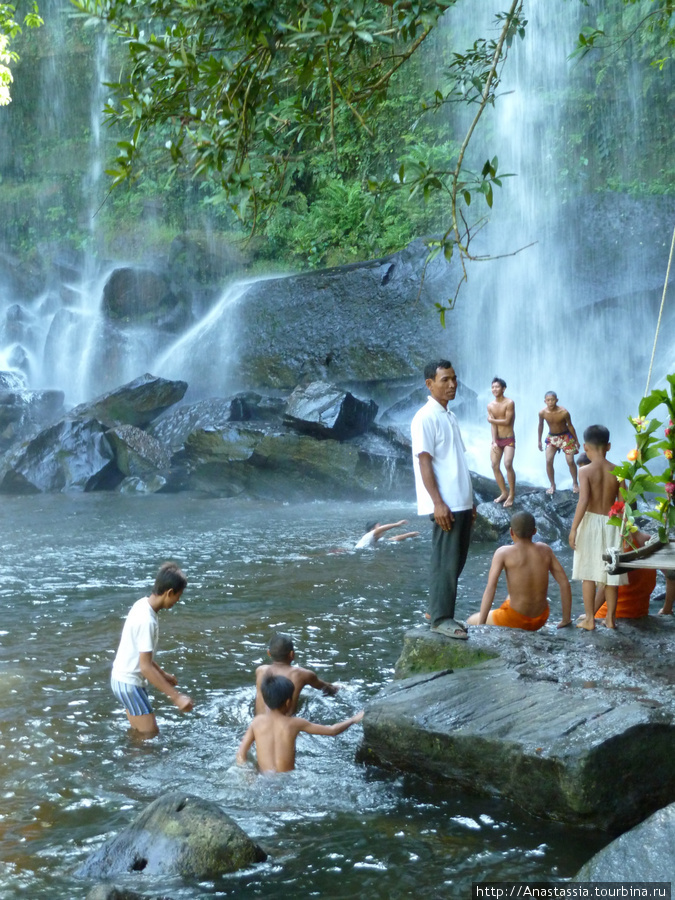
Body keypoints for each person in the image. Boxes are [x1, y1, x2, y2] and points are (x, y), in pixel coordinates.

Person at [411, 359, 476, 640]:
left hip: (461, 501)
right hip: (445, 504)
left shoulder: (449, 415)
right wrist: (437, 502)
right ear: (430, 384)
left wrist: (471, 501)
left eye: (454, 379)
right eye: (445, 380)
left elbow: (457, 461)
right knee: (444, 562)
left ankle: (440, 611)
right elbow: (425, 463)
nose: (452, 385)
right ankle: (439, 618)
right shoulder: (424, 417)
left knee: (456, 562)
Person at [110, 561, 193, 736]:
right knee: (150, 735)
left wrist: (164, 675)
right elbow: (145, 667)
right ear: (169, 593)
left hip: (121, 679)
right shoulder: (146, 620)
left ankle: (130, 758)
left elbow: (143, 658)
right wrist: (176, 697)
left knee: (139, 732)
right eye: (179, 596)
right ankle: (132, 761)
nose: (178, 600)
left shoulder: (142, 604)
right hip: (129, 683)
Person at [237, 674, 364, 773]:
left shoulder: (256, 722)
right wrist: (353, 719)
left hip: (263, 779)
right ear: (288, 702)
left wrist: (248, 774)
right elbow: (332, 730)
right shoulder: (295, 723)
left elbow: (241, 754)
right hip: (287, 780)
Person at [467, 511, 572, 630]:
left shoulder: (503, 552)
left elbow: (491, 588)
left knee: (471, 620)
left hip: (515, 620)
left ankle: (480, 621)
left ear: (511, 532)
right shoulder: (545, 550)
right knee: (509, 596)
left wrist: (481, 625)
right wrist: (566, 619)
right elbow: (565, 584)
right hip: (541, 618)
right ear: (535, 531)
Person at [569, 425, 628, 630]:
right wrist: (623, 528)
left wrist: (574, 528)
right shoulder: (620, 471)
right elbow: (622, 504)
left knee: (588, 573)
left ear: (585, 447)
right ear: (609, 446)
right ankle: (610, 620)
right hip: (612, 523)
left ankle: (589, 619)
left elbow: (583, 500)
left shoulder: (584, 470)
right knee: (611, 574)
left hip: (591, 522)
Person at [255, 633, 338, 715]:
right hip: (285, 724)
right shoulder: (302, 674)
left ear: (269, 653)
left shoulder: (260, 670)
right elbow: (325, 687)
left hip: (259, 723)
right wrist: (337, 687)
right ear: (292, 654)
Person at [537, 391, 580, 495]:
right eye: (548, 400)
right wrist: (539, 440)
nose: (550, 402)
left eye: (552, 400)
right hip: (552, 437)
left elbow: (570, 426)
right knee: (548, 460)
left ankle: (575, 483)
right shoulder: (542, 413)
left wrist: (576, 440)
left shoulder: (564, 412)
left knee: (570, 461)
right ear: (545, 401)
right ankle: (552, 485)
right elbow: (541, 425)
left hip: (565, 436)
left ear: (556, 400)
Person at [487, 376, 516, 508]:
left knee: (508, 464)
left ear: (503, 389)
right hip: (497, 440)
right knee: (494, 465)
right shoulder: (490, 405)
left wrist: (492, 420)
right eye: (493, 387)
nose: (494, 389)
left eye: (497, 386)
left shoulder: (509, 403)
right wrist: (493, 442)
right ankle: (504, 492)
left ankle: (512, 494)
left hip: (509, 438)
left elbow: (507, 421)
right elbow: (493, 426)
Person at [354, 519, 420, 549]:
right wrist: (397, 524)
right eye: (379, 527)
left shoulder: (378, 539)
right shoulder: (367, 536)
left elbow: (393, 539)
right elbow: (380, 529)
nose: (382, 530)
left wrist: (409, 535)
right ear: (372, 529)